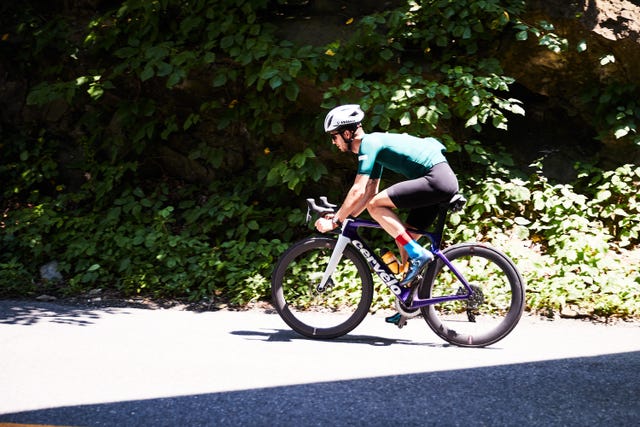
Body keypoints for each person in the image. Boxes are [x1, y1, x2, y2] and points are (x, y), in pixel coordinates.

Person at [315, 104, 459, 286]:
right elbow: (369, 192)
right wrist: (347, 218)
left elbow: (358, 190)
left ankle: (419, 254)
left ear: (347, 134)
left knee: (376, 206)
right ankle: (408, 305)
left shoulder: (369, 144)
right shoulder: (373, 146)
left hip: (437, 179)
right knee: (404, 238)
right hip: (438, 180)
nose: (333, 142)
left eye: (334, 136)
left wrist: (335, 221)